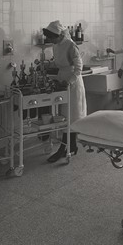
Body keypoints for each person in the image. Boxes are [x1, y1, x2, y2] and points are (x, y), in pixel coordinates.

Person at [42, 20, 87, 163]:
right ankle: (71, 146)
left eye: (52, 37)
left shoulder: (71, 45)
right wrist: (47, 65)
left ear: (59, 34)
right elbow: (58, 62)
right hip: (62, 80)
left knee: (71, 115)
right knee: (64, 116)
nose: (51, 40)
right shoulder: (56, 45)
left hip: (72, 82)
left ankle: (64, 148)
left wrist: (69, 81)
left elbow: (78, 67)